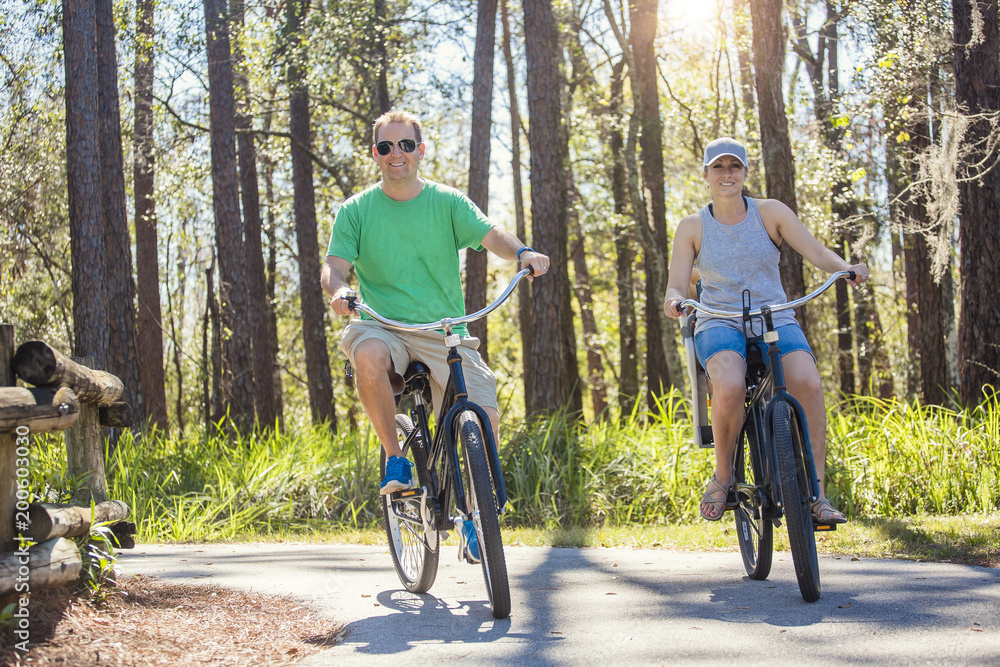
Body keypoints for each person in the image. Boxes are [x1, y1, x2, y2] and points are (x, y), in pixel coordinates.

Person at [321, 110, 549, 555]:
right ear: (375, 154)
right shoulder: (356, 210)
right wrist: (341, 290)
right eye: (386, 146)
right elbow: (333, 268)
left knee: (483, 412)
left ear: (420, 151)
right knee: (366, 354)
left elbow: (491, 235)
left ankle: (476, 515)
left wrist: (523, 252)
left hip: (442, 330)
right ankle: (396, 458)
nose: (397, 154)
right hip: (382, 324)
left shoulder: (446, 202)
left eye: (406, 145)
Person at [663, 137, 869, 524]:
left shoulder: (771, 212)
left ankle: (817, 495)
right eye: (718, 167)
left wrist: (846, 268)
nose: (727, 174)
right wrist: (675, 300)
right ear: (706, 174)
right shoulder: (692, 227)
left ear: (745, 172)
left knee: (808, 383)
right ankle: (723, 476)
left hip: (774, 316)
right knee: (729, 387)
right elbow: (676, 284)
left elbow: (817, 252)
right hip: (718, 319)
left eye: (734, 166)